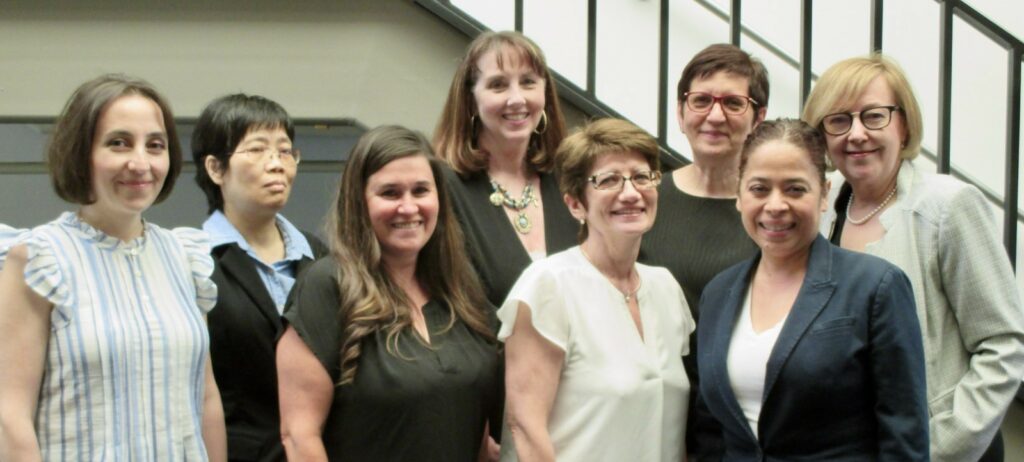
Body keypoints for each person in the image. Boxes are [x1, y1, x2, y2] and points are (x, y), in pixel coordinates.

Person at [804, 54, 1024, 462]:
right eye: (838, 120)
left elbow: (1004, 345)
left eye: (873, 116)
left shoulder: (947, 207)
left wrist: (937, 449)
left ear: (903, 125)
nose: (855, 134)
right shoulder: (820, 207)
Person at [0, 74, 226, 461]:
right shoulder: (39, 258)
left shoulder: (184, 257)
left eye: (155, 145)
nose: (140, 163)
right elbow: (9, 417)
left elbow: (205, 398)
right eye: (118, 143)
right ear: (80, 153)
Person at [697, 118, 928, 460]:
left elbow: (904, 434)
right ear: (739, 195)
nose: (775, 205)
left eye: (794, 189)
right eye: (759, 188)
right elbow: (711, 430)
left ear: (823, 194)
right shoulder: (718, 292)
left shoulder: (875, 286)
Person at [276, 126, 501, 461]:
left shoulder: (461, 287)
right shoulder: (327, 286)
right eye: (390, 193)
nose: (408, 208)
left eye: (421, 191)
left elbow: (477, 427)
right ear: (359, 201)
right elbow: (299, 436)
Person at [500, 118, 693, 461]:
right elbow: (525, 428)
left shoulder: (665, 287)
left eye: (641, 176)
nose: (631, 193)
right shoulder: (548, 285)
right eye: (609, 180)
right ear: (576, 204)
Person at [192, 94, 327, 462]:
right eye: (257, 150)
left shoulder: (320, 255)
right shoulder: (195, 261)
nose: (276, 165)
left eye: (285, 152)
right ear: (216, 169)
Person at [435, 30, 577, 306]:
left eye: (528, 82)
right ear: (470, 101)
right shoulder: (443, 186)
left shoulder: (569, 179)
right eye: (498, 85)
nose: (517, 99)